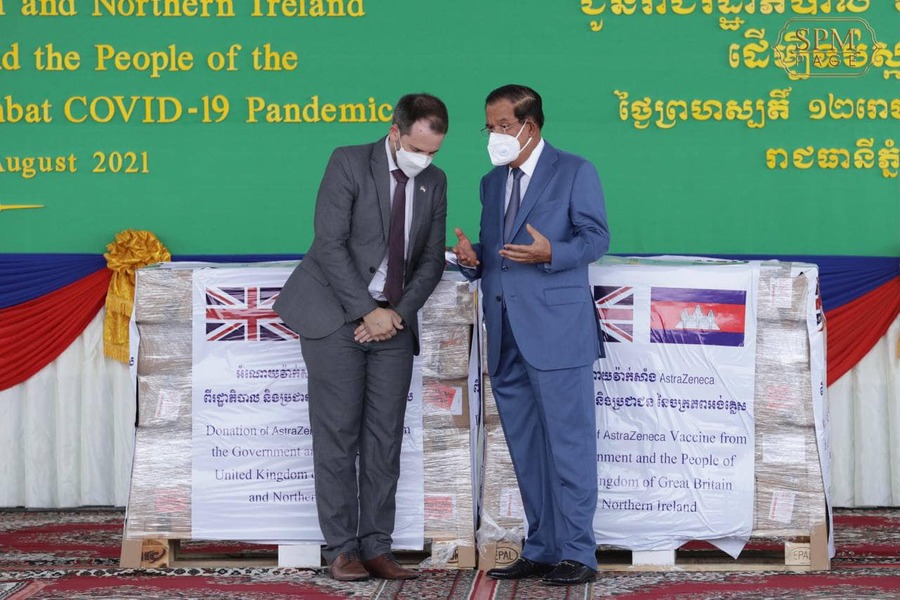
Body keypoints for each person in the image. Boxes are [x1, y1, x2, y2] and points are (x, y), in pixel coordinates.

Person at [274, 93, 449, 582]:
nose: (424, 159)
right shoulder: (349, 162)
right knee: (337, 434)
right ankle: (341, 549)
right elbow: (329, 244)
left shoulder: (434, 181)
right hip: (334, 315)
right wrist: (367, 312)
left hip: (392, 322)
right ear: (395, 133)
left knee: (384, 438)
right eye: (417, 148)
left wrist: (395, 315)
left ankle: (377, 546)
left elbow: (431, 260)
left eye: (433, 152)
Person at [453, 84, 609, 586]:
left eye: (503, 126)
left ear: (530, 126)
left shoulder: (575, 170)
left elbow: (596, 238)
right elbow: (499, 253)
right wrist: (474, 259)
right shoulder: (491, 182)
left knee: (569, 445)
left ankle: (579, 552)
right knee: (526, 447)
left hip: (557, 333)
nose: (494, 135)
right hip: (505, 333)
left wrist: (553, 254)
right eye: (489, 127)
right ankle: (542, 547)